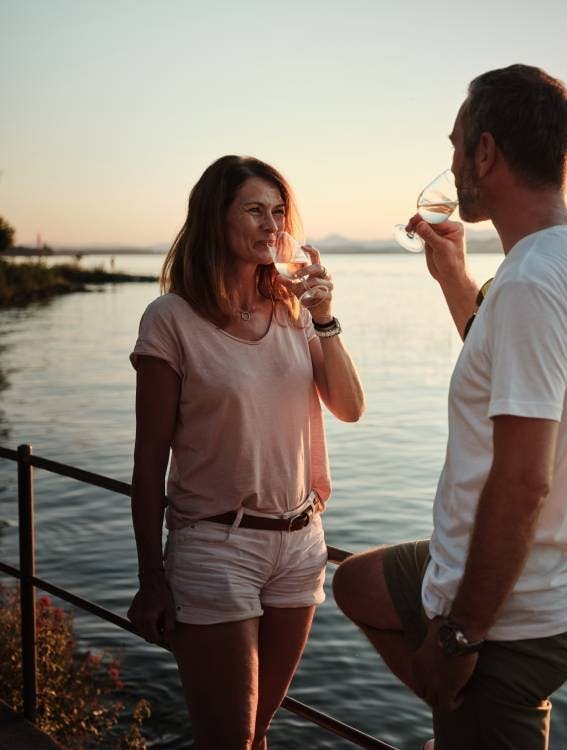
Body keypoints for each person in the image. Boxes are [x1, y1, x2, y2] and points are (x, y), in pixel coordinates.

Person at [333, 65, 567, 749]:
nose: (452, 163)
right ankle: (463, 716)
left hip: (511, 613)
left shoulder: (531, 279)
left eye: (456, 145)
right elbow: (511, 366)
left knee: (448, 672)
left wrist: (459, 636)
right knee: (359, 584)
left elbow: (525, 479)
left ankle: (465, 696)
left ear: (485, 153)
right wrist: (453, 279)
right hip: (566, 580)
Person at [127, 155, 365, 749]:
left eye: (279, 212)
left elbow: (350, 406)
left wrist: (326, 318)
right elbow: (149, 462)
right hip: (215, 546)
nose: (271, 225)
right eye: (255, 210)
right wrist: (151, 577)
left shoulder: (294, 313)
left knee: (258, 734)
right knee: (229, 740)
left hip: (300, 544)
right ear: (216, 218)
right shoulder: (170, 321)